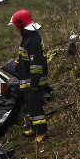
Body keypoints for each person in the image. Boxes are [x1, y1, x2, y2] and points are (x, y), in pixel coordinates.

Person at [10, 9, 49, 143]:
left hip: (34, 80)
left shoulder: (32, 39)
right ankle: (34, 128)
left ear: (20, 25)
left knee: (35, 106)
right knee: (29, 105)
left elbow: (36, 63)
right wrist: (20, 62)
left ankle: (41, 131)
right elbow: (28, 58)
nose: (16, 29)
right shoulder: (28, 37)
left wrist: (34, 83)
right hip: (28, 78)